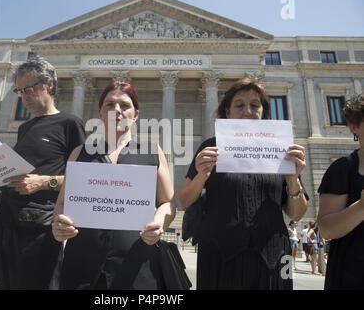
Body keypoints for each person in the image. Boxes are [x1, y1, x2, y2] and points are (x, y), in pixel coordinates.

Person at [178, 78, 308, 290]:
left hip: (273, 256)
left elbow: (297, 214)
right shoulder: (211, 147)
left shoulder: (281, 150)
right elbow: (184, 201)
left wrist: (293, 180)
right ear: (227, 111)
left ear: (263, 112)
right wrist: (202, 174)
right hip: (219, 253)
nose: (247, 111)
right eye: (239, 105)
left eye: (255, 105)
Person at [52, 80, 176, 289]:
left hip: (136, 265)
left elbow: (168, 203)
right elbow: (62, 203)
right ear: (100, 113)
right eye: (109, 105)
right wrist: (58, 223)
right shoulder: (79, 154)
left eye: (124, 105)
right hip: (82, 266)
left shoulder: (152, 152)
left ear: (135, 115)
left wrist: (159, 224)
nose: (116, 110)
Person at [0, 57, 86, 290]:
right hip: (4, 221)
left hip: (39, 227)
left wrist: (43, 182)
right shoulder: (24, 127)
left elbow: (83, 180)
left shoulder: (70, 124)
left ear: (48, 85)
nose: (23, 97)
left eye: (28, 89)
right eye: (19, 91)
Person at [317, 93, 364, 289]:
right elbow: (326, 229)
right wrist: (361, 207)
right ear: (354, 128)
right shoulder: (343, 169)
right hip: (353, 275)